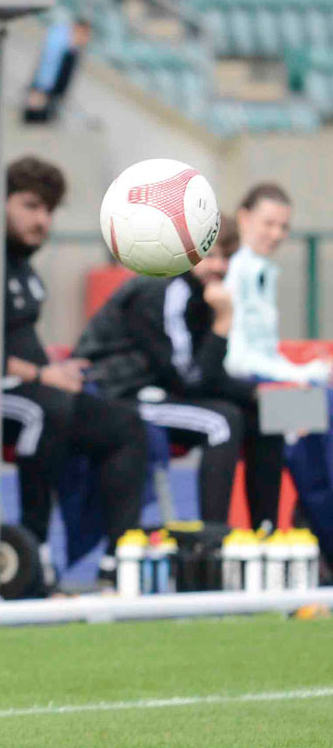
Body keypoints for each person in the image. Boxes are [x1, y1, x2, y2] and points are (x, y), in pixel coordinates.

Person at [74, 220, 282, 530]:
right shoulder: (167, 288)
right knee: (223, 421)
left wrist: (260, 394)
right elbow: (191, 379)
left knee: (279, 414)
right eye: (210, 256)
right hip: (119, 394)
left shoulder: (211, 291)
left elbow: (206, 374)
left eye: (226, 257)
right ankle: (213, 543)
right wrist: (224, 323)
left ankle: (267, 536)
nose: (219, 266)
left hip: (174, 388)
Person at [0, 157, 148, 570]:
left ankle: (119, 561)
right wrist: (43, 373)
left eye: (48, 210)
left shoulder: (25, 270)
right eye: (30, 206)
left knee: (125, 424)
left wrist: (57, 370)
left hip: (37, 387)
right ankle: (33, 552)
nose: (42, 219)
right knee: (47, 410)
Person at [221, 183, 333, 557]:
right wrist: (307, 375)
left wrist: (306, 371)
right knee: (322, 412)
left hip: (266, 391)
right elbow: (237, 357)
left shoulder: (261, 271)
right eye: (268, 224)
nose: (277, 234)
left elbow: (263, 352)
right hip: (247, 397)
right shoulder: (234, 272)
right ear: (244, 218)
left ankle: (318, 528)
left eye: (283, 227)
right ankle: (324, 535)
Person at [23, 16, 91, 124]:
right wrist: (41, 88)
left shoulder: (71, 47)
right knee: (35, 116)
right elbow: (47, 66)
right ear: (78, 29)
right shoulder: (60, 42)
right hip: (45, 88)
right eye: (86, 35)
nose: (86, 39)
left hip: (51, 91)